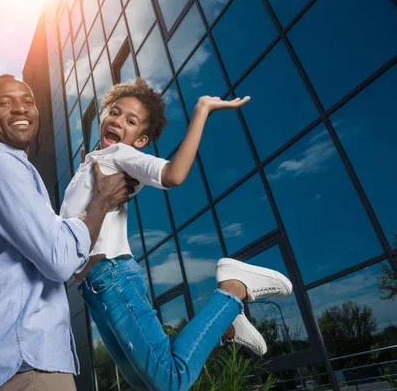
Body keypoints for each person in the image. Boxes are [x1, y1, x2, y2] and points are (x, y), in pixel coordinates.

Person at [60, 78, 293, 391]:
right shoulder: (92, 161)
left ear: (140, 140)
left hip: (111, 276)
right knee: (146, 384)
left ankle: (234, 288)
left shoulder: (120, 155)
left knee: (170, 382)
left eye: (130, 121)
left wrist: (201, 111)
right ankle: (222, 327)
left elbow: (174, 175)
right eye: (114, 113)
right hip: (92, 288)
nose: (117, 121)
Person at [0, 74, 138, 391]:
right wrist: (100, 201)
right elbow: (59, 259)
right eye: (5, 103)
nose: (20, 109)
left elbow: (56, 256)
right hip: (25, 360)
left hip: (23, 359)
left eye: (27, 101)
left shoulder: (12, 169)